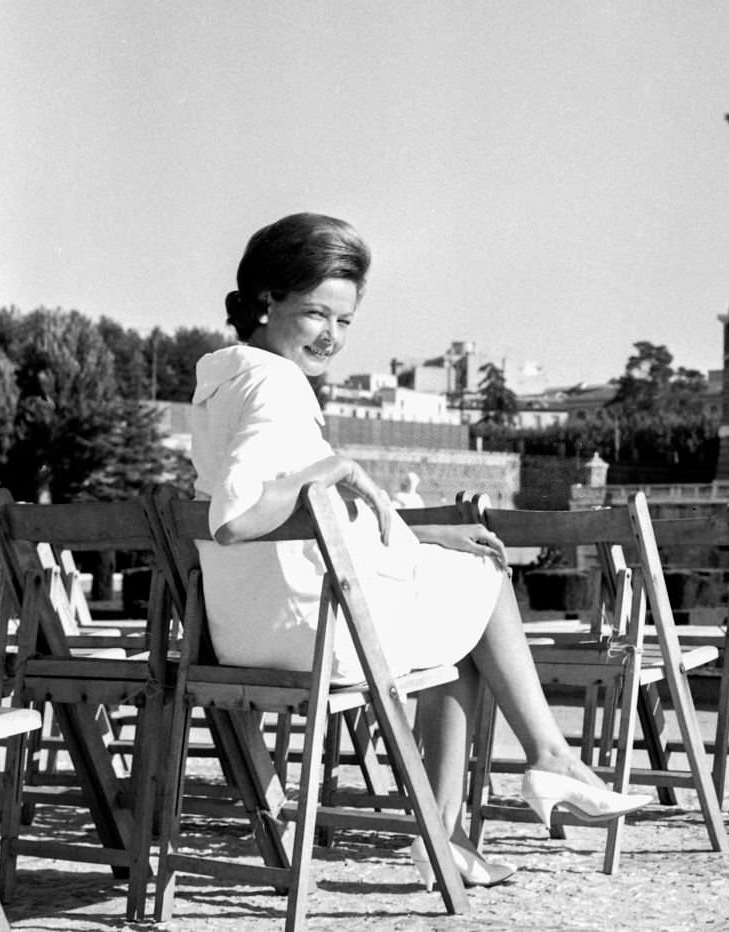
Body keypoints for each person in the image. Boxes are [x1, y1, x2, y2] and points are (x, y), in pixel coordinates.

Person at [190, 212, 650, 890]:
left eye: (344, 322)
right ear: (267, 301)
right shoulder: (275, 383)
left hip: (244, 627)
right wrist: (330, 466)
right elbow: (235, 518)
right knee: (487, 576)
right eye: (317, 314)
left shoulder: (222, 381)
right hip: (310, 634)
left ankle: (453, 837)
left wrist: (423, 535)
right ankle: (545, 758)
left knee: (457, 636)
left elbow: (297, 522)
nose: (331, 337)